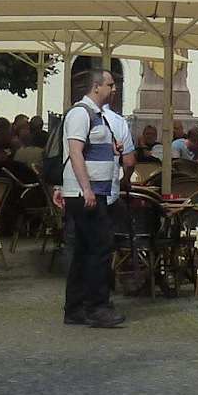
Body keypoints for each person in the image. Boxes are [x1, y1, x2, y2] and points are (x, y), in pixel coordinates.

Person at [61, 69, 125, 329]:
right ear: (96, 87)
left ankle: (75, 308)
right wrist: (86, 188)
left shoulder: (98, 116)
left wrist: (111, 149)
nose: (114, 88)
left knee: (84, 249)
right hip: (86, 193)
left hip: (94, 191)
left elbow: (88, 148)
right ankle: (97, 306)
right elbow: (75, 151)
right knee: (100, 247)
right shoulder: (81, 113)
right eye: (110, 84)